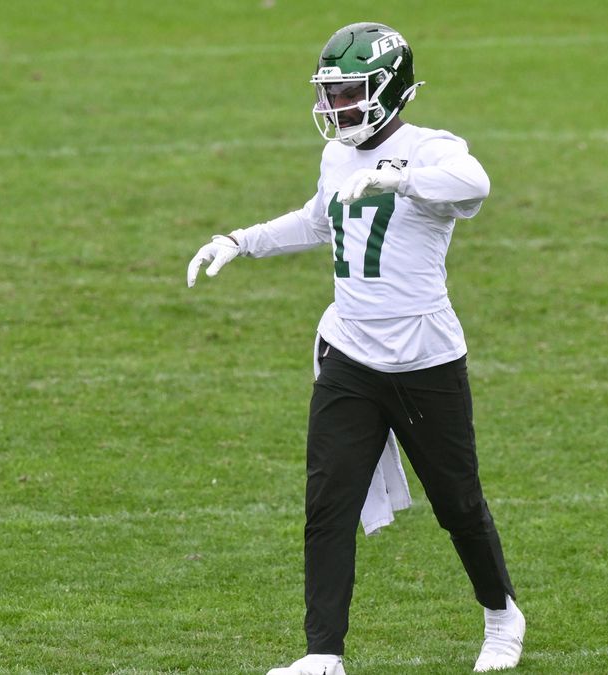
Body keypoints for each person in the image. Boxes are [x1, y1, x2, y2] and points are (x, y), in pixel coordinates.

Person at [186, 22, 525, 674]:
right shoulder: (338, 154)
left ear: (391, 91)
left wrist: (399, 179)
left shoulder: (432, 148)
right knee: (328, 502)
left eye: (349, 92)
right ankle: (323, 655)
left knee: (457, 502)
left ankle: (501, 614)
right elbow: (318, 220)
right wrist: (240, 239)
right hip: (349, 355)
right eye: (331, 92)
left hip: (424, 357)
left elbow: (474, 182)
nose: (336, 106)